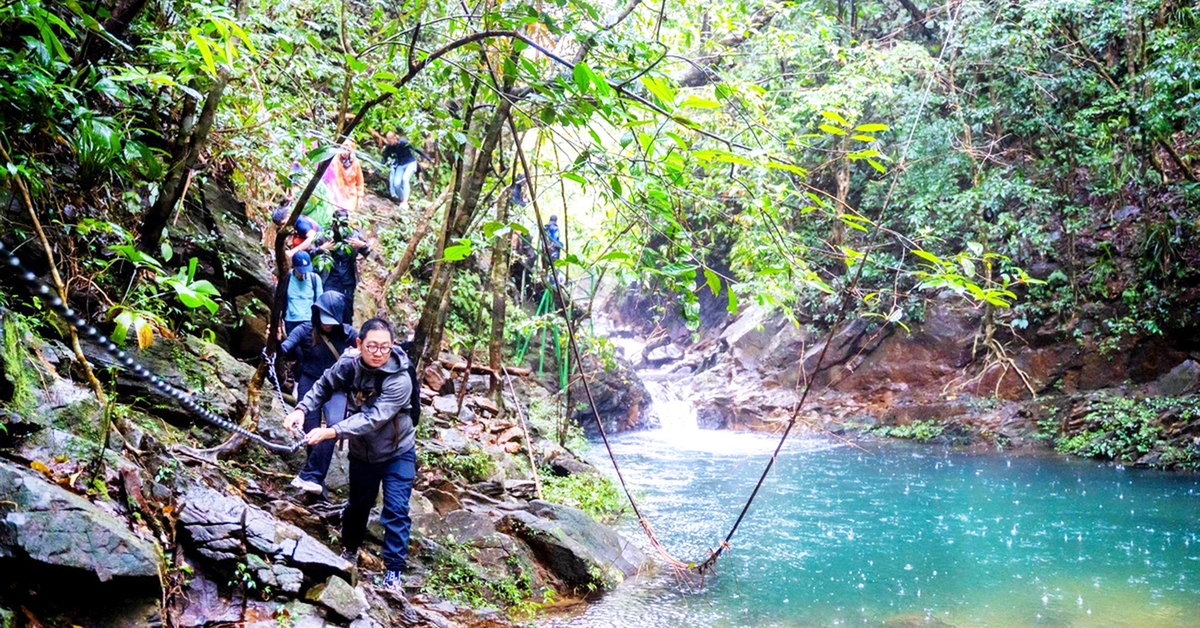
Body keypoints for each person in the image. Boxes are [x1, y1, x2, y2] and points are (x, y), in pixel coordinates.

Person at [285, 318, 415, 593]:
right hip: (362, 453)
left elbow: (373, 418)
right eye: (372, 346)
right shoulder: (349, 364)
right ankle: (350, 551)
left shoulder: (400, 379)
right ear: (359, 344)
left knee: (396, 509)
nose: (379, 352)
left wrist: (331, 431)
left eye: (385, 347)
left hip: (397, 451)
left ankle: (393, 572)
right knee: (358, 505)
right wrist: (301, 408)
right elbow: (323, 385)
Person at [280, 291, 358, 495]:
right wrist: (276, 344)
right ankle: (314, 480)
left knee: (333, 428)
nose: (327, 325)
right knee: (310, 429)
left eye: (332, 321)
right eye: (324, 319)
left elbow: (364, 349)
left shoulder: (348, 334)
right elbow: (286, 347)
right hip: (310, 381)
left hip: (337, 387)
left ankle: (312, 476)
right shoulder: (305, 330)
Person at [319, 209, 370, 324]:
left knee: (347, 312)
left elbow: (371, 255)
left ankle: (346, 336)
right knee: (328, 309)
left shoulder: (354, 235)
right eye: (339, 224)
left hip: (347, 280)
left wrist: (363, 246)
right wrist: (321, 249)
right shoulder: (325, 235)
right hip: (330, 279)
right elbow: (311, 254)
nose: (341, 228)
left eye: (344, 224)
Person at [381, 131, 427, 208]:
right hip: (400, 165)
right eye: (388, 141)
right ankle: (403, 201)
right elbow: (384, 160)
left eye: (390, 140)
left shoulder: (403, 142)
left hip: (410, 163)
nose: (389, 142)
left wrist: (429, 159)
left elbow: (416, 149)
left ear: (395, 138)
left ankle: (405, 201)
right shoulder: (389, 147)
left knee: (405, 179)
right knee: (396, 184)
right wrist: (374, 169)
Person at [284, 251, 323, 335]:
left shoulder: (315, 279)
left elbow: (320, 302)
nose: (304, 273)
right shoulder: (286, 278)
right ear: (294, 267)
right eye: (300, 270)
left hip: (309, 321)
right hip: (291, 321)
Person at [332, 139, 365, 213]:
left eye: (347, 150)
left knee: (348, 215)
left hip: (351, 194)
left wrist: (360, 197)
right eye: (343, 149)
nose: (345, 152)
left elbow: (360, 181)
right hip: (337, 192)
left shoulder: (355, 163)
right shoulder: (335, 161)